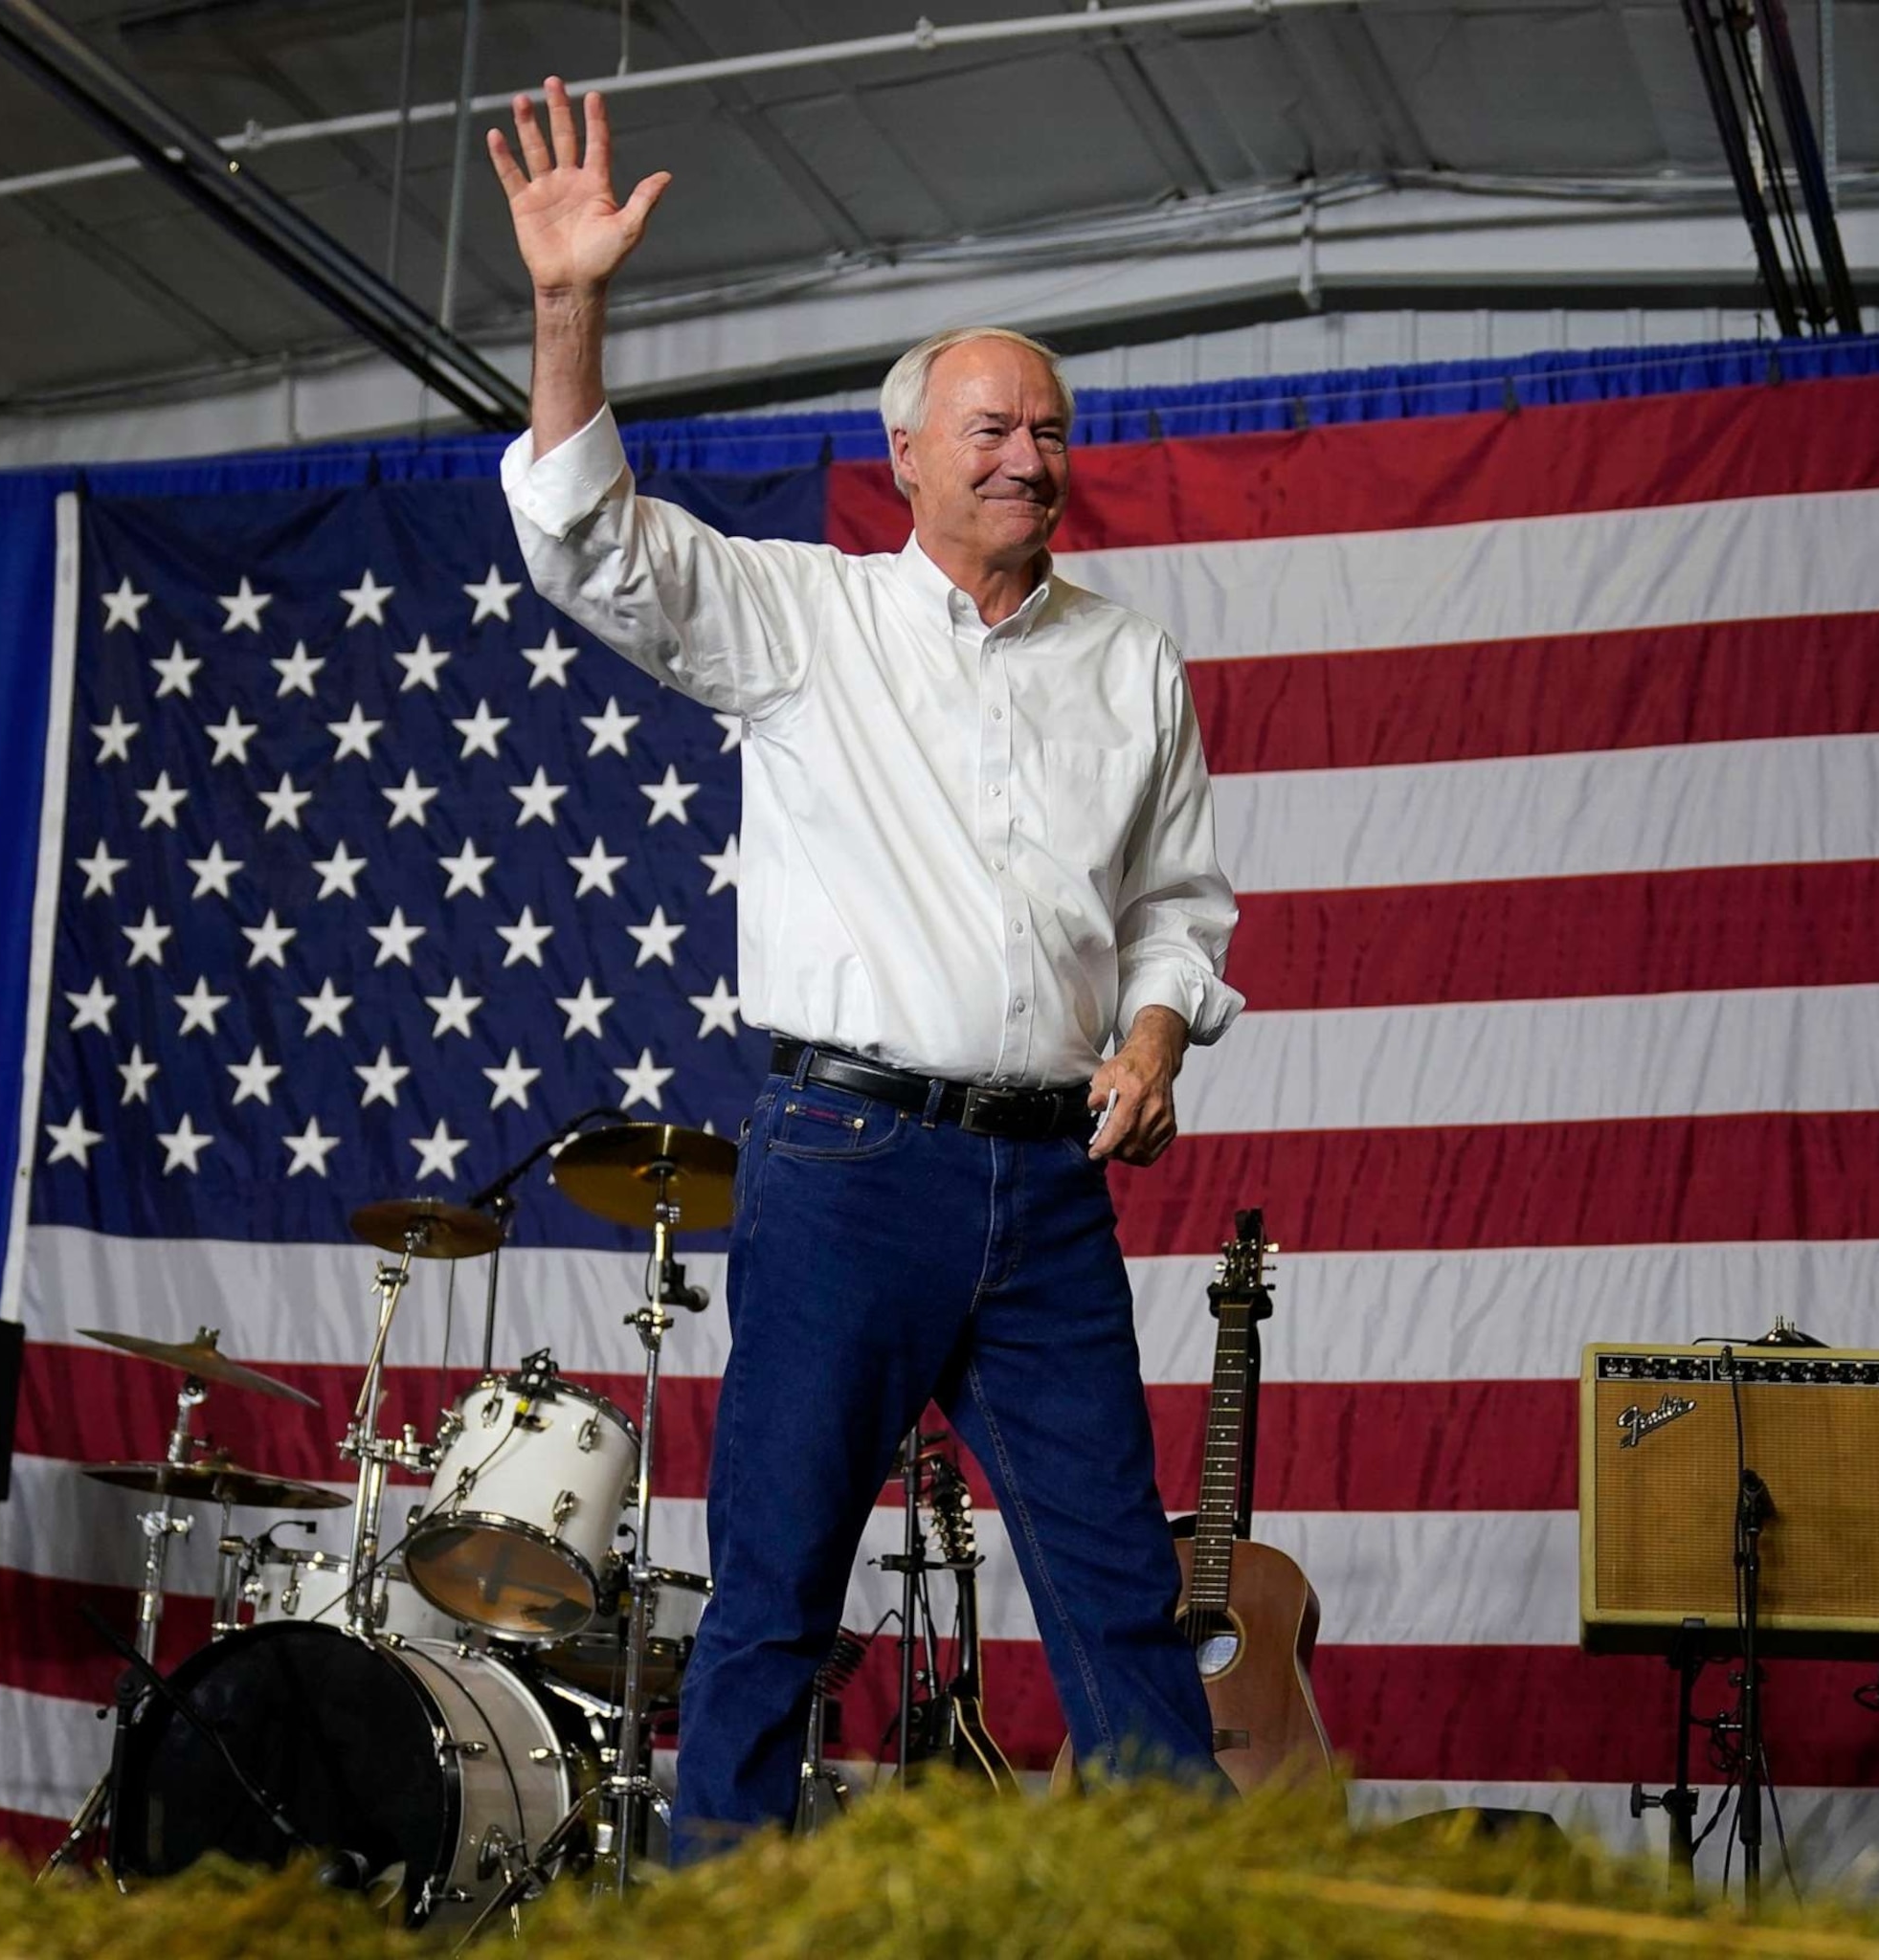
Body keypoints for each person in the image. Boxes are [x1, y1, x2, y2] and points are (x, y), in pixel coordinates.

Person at [491, 82, 1242, 1848]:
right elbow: (587, 541)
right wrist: (568, 305)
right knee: (773, 1595)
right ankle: (732, 1910)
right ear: (903, 457)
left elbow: (1178, 909)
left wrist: (1152, 1033)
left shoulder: (1133, 666)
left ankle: (1200, 1907)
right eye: (986, 429)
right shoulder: (801, 619)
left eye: (1049, 431)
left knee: (1122, 1598)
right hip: (848, 1167)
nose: (1025, 458)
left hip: (1048, 1180)